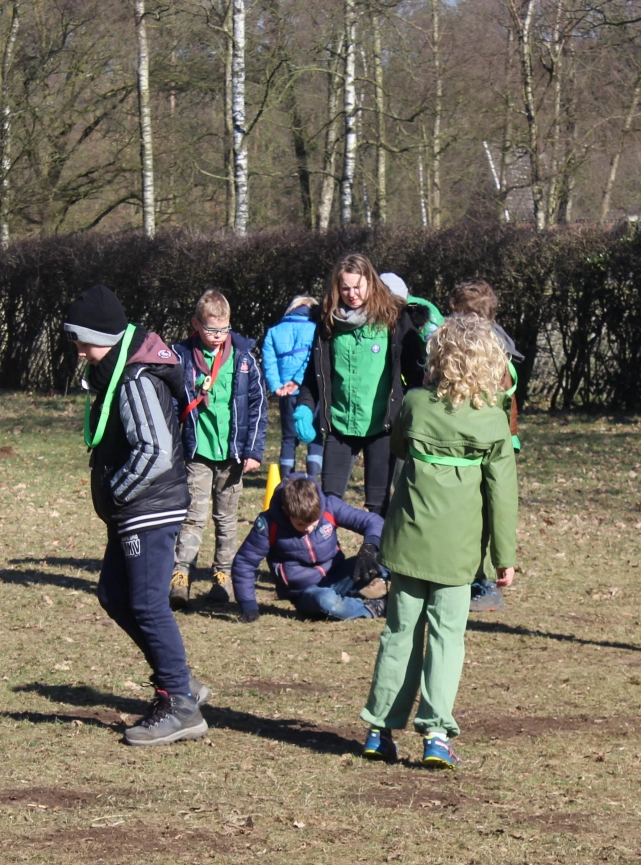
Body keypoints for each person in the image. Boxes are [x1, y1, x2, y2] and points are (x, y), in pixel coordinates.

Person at [358, 315, 518, 770]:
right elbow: (502, 495)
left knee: (399, 634)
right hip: (459, 550)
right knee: (447, 639)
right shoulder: (492, 421)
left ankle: (379, 730)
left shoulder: (413, 403)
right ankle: (435, 733)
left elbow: (402, 450)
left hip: (408, 542)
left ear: (438, 357)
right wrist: (504, 557)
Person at [64, 284, 208, 746]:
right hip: (134, 511)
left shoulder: (135, 378)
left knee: (146, 604)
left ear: (102, 336)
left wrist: (119, 491)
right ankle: (180, 681)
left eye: (83, 340)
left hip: (148, 508)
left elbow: (158, 450)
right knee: (114, 595)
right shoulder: (117, 371)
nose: (81, 351)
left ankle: (179, 704)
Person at [295, 252, 421, 515]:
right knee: (329, 503)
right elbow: (313, 375)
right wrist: (305, 406)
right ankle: (328, 554)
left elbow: (416, 374)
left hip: (382, 427)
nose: (352, 294)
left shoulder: (395, 320)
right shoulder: (327, 323)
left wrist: (417, 415)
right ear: (336, 288)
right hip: (340, 426)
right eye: (345, 288)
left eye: (358, 287)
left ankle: (372, 556)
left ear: (371, 283)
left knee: (378, 507)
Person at [170, 289, 268, 608]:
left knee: (226, 519)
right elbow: (171, 403)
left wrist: (253, 451)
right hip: (197, 452)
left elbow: (258, 405)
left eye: (223, 329)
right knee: (193, 516)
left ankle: (222, 576)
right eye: (211, 330)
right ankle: (181, 573)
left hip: (233, 455)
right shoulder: (181, 357)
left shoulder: (242, 359)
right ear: (196, 324)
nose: (217, 336)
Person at [449, 279, 526, 613]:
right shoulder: (482, 344)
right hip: (490, 438)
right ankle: (468, 574)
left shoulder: (488, 352)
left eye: (455, 314)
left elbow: (500, 401)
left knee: (482, 511)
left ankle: (476, 578)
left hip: (486, 441)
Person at [232, 475, 387, 622]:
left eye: (314, 521)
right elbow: (245, 562)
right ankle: (375, 608)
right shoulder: (268, 524)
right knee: (326, 600)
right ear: (286, 512)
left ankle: (395, 591)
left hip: (340, 574)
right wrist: (248, 605)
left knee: (387, 556)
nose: (309, 528)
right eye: (300, 524)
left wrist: (369, 548)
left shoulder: (330, 506)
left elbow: (373, 521)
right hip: (307, 592)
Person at [262, 295, 323, 479]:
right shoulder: (316, 329)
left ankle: (286, 477)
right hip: (310, 391)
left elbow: (268, 360)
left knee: (289, 438)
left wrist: (277, 385)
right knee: (316, 435)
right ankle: (313, 477)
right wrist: (298, 380)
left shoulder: (274, 331)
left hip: (286, 393)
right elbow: (312, 359)